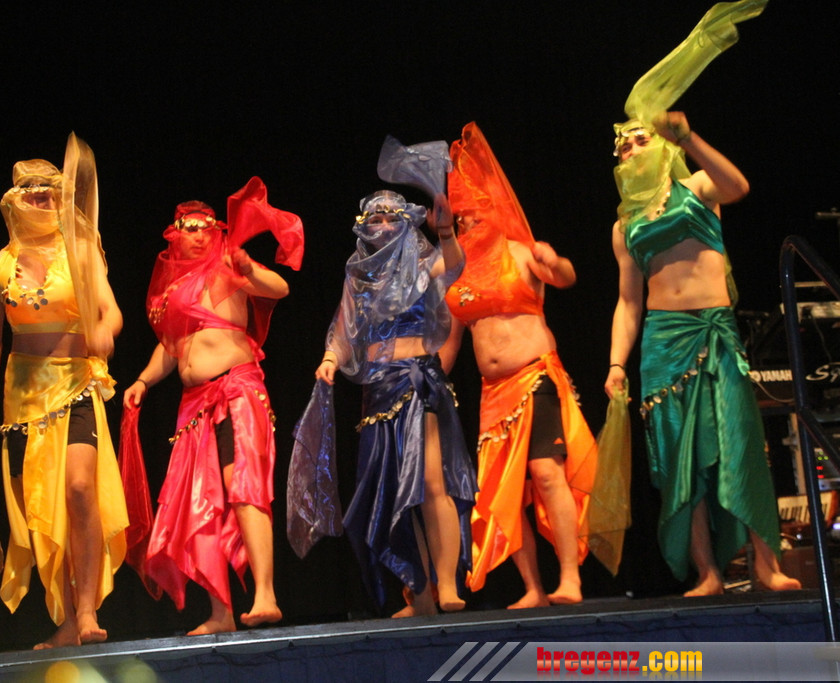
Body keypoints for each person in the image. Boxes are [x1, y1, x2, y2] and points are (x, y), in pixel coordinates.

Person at [605, 111, 800, 596]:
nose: (631, 151)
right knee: (680, 458)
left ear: (662, 147)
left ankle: (767, 564)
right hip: (662, 342)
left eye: (640, 141)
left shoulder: (697, 187)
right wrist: (615, 363)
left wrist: (689, 137)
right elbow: (629, 302)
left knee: (740, 441)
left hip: (714, 331)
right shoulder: (624, 226)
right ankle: (707, 571)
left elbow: (738, 186)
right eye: (623, 148)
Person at [0, 134, 128, 649]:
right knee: (42, 510)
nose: (40, 198)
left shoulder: (81, 250)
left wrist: (105, 332)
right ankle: (67, 618)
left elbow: (110, 311)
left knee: (79, 489)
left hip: (75, 384)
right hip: (23, 397)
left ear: (60, 198)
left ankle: (87, 610)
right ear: (14, 199)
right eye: (30, 191)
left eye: (49, 191)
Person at [122, 181, 302, 635]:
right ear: (174, 235)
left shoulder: (226, 265)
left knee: (242, 487)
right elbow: (171, 347)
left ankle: (266, 595)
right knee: (202, 500)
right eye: (190, 229)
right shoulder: (173, 288)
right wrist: (143, 380)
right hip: (194, 403)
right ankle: (221, 613)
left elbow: (280, 288)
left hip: (236, 390)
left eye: (207, 228)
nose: (200, 235)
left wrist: (249, 269)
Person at [440, 122, 597, 608]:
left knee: (546, 473)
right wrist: (425, 385)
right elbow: (450, 345)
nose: (468, 225)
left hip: (535, 377)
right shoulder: (458, 273)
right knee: (504, 492)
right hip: (493, 394)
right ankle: (533, 588)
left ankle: (569, 578)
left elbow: (566, 277)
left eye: (474, 215)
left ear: (493, 211)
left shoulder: (520, 251)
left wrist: (554, 261)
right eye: (461, 220)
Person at [313, 189, 477, 617]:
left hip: (417, 377)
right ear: (364, 228)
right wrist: (330, 359)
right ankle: (420, 596)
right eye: (376, 220)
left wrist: (446, 232)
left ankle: (447, 585)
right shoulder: (359, 277)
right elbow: (344, 330)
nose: (383, 226)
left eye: (391, 219)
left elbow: (453, 266)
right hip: (378, 389)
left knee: (431, 483)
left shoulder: (422, 264)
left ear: (406, 224)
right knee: (394, 495)